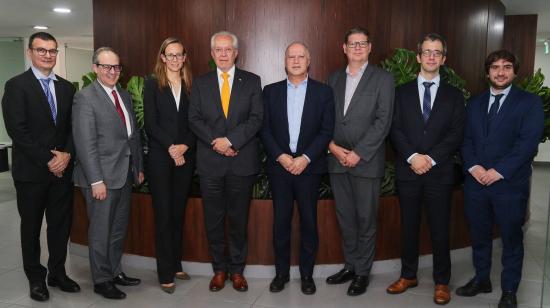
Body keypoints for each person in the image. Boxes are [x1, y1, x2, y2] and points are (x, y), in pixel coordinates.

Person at [457, 50, 544, 308]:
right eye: (495, 67)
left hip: (509, 184)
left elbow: (527, 144)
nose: (501, 72)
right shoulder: (474, 103)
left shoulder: (529, 103)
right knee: (479, 235)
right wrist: (474, 168)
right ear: (487, 72)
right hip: (476, 183)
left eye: (507, 67)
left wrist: (497, 171)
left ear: (515, 72)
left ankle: (509, 290)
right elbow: (466, 140)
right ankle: (482, 279)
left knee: (511, 239)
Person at [387, 33, 465, 305]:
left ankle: (442, 282)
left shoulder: (454, 96)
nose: (431, 57)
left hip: (439, 172)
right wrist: (411, 157)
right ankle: (408, 275)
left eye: (437, 52)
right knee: (408, 227)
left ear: (443, 59)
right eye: (427, 52)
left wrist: (430, 159)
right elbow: (394, 128)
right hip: (408, 171)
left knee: (440, 229)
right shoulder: (400, 92)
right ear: (418, 57)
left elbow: (456, 134)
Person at [1, 31, 80, 302]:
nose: (48, 55)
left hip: (63, 172)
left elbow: (72, 126)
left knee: (60, 225)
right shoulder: (16, 86)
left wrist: (66, 154)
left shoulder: (67, 87)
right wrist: (50, 160)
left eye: (52, 50)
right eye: (41, 50)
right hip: (32, 174)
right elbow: (18, 132)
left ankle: (58, 273)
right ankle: (36, 279)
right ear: (30, 53)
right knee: (31, 227)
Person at [188, 31, 263, 292]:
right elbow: (194, 119)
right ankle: (219, 270)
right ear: (212, 54)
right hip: (211, 163)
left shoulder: (252, 81)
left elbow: (256, 118)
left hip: (241, 161)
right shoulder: (200, 83)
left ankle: (237, 271)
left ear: (236, 53)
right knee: (214, 219)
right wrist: (217, 143)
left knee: (239, 219)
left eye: (227, 49)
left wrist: (231, 142)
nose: (222, 54)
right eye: (218, 50)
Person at [326, 26, 395, 296]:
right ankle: (351, 265)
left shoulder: (383, 79)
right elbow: (326, 119)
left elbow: (383, 121)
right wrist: (332, 147)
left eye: (362, 44)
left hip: (366, 162)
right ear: (344, 48)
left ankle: (363, 272)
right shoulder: (332, 79)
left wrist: (358, 152)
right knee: (345, 218)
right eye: (352, 44)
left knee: (365, 219)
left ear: (369, 48)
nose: (357, 48)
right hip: (336, 160)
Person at [261, 42, 334, 295]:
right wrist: (281, 156)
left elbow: (326, 131)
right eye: (291, 56)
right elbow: (264, 129)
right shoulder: (270, 92)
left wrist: (305, 158)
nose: (295, 61)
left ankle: (306, 275)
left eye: (300, 56)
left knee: (309, 223)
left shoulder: (323, 92)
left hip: (309, 169)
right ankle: (281, 274)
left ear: (308, 60)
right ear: (285, 61)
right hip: (280, 168)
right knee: (280, 223)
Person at [72, 47, 144, 300]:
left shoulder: (123, 95)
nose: (112, 72)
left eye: (116, 67)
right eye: (106, 67)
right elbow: (85, 143)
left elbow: (132, 136)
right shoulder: (85, 98)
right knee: (101, 231)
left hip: (123, 175)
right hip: (100, 179)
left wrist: (138, 168)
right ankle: (102, 280)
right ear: (95, 68)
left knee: (117, 229)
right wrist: (96, 180)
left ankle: (114, 271)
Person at [143, 37, 196, 294]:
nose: (175, 59)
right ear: (162, 57)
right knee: (163, 215)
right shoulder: (152, 83)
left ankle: (175, 264)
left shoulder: (190, 84)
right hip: (160, 158)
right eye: (170, 55)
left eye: (179, 55)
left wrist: (184, 146)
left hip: (184, 157)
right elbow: (151, 123)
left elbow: (195, 121)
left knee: (177, 213)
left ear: (184, 57)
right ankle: (164, 272)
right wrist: (171, 147)